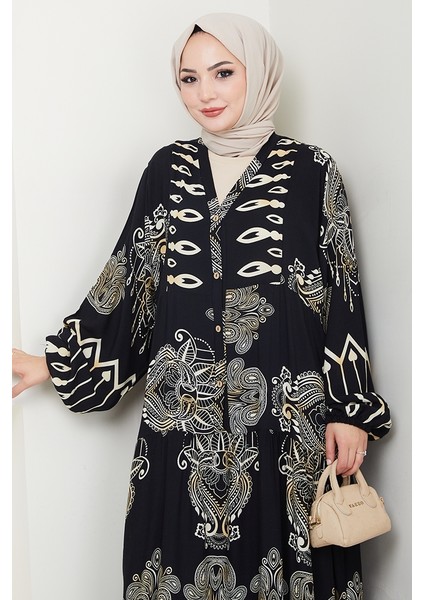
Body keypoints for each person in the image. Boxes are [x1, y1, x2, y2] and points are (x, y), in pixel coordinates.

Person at [12, 12, 391, 600]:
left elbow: (342, 293)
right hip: (183, 423)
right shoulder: (167, 170)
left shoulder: (312, 171)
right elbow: (130, 278)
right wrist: (57, 363)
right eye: (188, 79)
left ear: (258, 72)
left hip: (286, 420)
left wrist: (350, 409)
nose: (204, 93)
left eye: (222, 73)